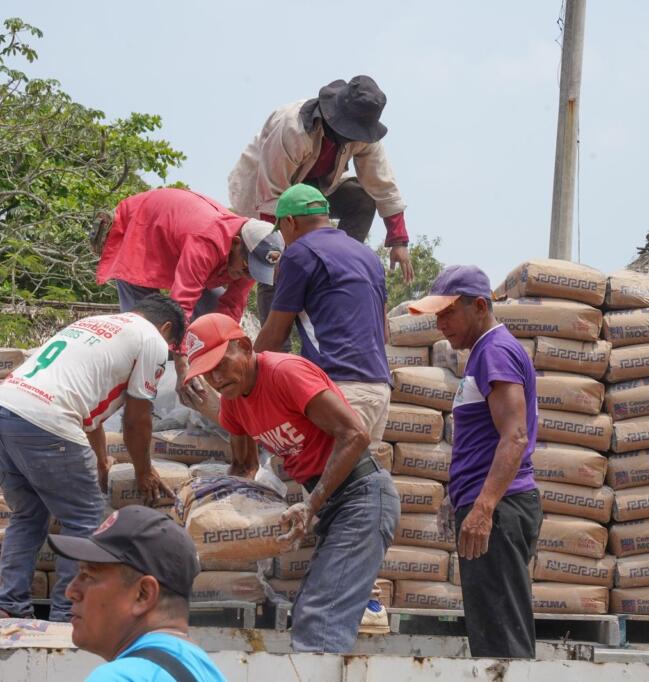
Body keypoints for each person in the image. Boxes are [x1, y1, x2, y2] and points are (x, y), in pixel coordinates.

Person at [181, 313, 400, 653]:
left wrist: (311, 505)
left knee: (319, 623)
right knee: (307, 614)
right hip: (331, 503)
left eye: (221, 364)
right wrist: (208, 512)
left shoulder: (285, 373)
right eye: (206, 372)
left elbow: (355, 435)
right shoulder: (233, 402)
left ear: (243, 346)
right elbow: (243, 468)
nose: (216, 377)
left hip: (363, 497)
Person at [0, 295, 185, 623]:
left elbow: (90, 415)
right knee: (85, 519)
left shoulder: (92, 326)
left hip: (0, 409)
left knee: (27, 515)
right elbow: (137, 418)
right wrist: (144, 470)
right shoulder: (153, 340)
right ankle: (65, 617)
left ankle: (11, 609)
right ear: (166, 329)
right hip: (47, 418)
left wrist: (102, 460)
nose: (167, 355)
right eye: (172, 346)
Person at [409, 265, 541, 658]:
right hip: (494, 507)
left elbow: (514, 436)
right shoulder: (485, 353)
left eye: (448, 313)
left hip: (500, 511)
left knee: (503, 643)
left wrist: (483, 508)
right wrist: (459, 497)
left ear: (480, 306)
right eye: (437, 315)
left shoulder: (494, 352)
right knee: (491, 633)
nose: (440, 324)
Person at [228, 74, 414, 327]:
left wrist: (399, 239)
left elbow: (381, 182)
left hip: (316, 190)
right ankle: (275, 347)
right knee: (275, 264)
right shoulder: (293, 129)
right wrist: (287, 253)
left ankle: (335, 265)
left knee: (362, 199)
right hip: (267, 195)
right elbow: (272, 195)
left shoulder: (364, 135)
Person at [254, 184, 391, 452]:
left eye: (281, 230)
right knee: (360, 489)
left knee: (327, 488)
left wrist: (246, 376)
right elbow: (385, 333)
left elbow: (275, 334)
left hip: (337, 390)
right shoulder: (368, 255)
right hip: (379, 389)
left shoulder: (298, 254)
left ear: (290, 222)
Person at [50, 505, 227, 681]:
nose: (70, 592)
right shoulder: (207, 672)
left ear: (143, 595)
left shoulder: (120, 677)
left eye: (88, 576)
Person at [95, 187, 283, 322]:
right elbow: (181, 306)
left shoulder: (252, 253)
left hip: (179, 246)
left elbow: (232, 307)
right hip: (141, 229)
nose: (246, 276)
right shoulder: (206, 242)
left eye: (254, 274)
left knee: (212, 318)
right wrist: (182, 361)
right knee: (147, 325)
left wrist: (220, 343)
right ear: (235, 243)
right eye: (246, 269)